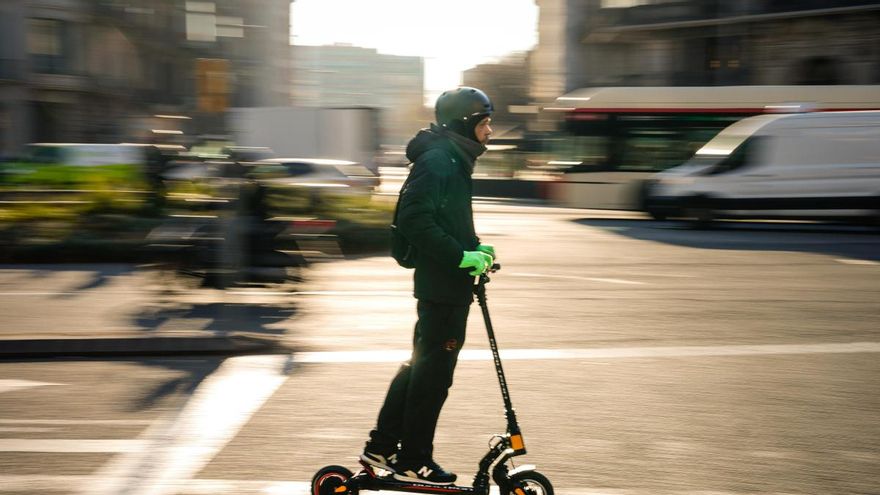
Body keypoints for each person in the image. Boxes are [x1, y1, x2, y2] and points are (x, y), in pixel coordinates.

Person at [360, 87, 497, 485]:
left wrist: (473, 246)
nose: (491, 131)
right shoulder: (439, 160)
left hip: (445, 284)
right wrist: (460, 256)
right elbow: (416, 222)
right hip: (441, 286)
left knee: (421, 367)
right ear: (465, 123)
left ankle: (381, 447)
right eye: (485, 123)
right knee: (433, 377)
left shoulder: (451, 158)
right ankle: (412, 459)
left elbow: (443, 218)